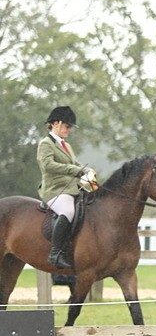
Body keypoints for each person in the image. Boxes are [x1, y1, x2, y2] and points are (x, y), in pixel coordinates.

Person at [37, 106, 95, 270]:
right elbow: (48, 165)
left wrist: (87, 171)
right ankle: (55, 253)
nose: (69, 130)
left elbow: (75, 164)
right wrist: (75, 170)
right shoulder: (45, 144)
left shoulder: (66, 146)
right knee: (68, 211)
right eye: (67, 127)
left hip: (72, 188)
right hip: (55, 189)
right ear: (56, 123)